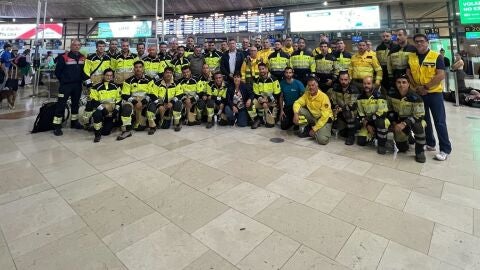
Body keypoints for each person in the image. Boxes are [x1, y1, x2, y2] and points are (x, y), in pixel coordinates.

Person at [407, 33, 451, 161]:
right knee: (425, 121)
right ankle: (430, 143)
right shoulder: (412, 57)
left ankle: (445, 149)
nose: (419, 44)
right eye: (416, 42)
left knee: (440, 122)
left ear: (427, 42)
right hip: (419, 94)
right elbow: (408, 73)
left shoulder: (436, 56)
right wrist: (416, 88)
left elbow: (441, 75)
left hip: (434, 94)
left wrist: (425, 87)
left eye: (421, 41)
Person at [52, 39, 88, 136]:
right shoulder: (64, 57)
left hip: (77, 85)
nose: (76, 46)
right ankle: (57, 125)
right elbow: (57, 72)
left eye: (78, 45)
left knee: (76, 104)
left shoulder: (82, 58)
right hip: (65, 85)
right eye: (74, 45)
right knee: (61, 104)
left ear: (80, 46)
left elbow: (84, 72)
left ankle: (74, 122)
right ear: (71, 46)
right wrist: (64, 80)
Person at [388, 75, 427, 163]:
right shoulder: (391, 95)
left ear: (408, 84)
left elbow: (419, 116)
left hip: (414, 120)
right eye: (399, 82)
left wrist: (404, 124)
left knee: (419, 126)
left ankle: (420, 151)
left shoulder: (416, 97)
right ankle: (407, 136)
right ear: (396, 84)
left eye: (404, 82)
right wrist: (394, 123)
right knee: (402, 148)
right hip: (398, 121)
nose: (401, 85)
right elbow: (389, 110)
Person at [117, 61, 156, 140]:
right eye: (136, 67)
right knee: (126, 107)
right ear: (133, 69)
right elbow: (125, 94)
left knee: (152, 106)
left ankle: (152, 126)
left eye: (140, 67)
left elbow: (153, 94)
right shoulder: (128, 81)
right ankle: (127, 131)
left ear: (143, 68)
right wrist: (135, 102)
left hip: (145, 101)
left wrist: (142, 102)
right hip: (133, 101)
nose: (138, 69)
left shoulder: (150, 80)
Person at [293, 77, 333, 145]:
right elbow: (297, 103)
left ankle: (323, 130)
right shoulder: (307, 94)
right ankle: (306, 128)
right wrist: (295, 114)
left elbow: (325, 116)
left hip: (324, 119)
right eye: (309, 85)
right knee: (299, 110)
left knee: (322, 140)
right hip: (313, 117)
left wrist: (315, 129)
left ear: (317, 85)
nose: (311, 87)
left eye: (313, 85)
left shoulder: (324, 97)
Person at [82, 40, 113, 127]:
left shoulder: (107, 58)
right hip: (93, 84)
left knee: (100, 102)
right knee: (90, 104)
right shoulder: (90, 58)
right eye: (99, 46)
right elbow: (85, 72)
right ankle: (86, 122)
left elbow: (109, 71)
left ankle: (99, 119)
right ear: (96, 47)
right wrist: (89, 84)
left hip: (103, 84)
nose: (101, 48)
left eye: (103, 46)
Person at [356, 76, 390, 154]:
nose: (366, 86)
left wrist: (368, 120)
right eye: (364, 83)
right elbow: (360, 113)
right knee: (361, 141)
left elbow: (382, 113)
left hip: (380, 120)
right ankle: (372, 135)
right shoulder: (360, 97)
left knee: (381, 122)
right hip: (367, 123)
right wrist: (367, 125)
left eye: (368, 83)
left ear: (373, 85)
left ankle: (382, 144)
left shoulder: (380, 96)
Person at [328, 71, 360, 145]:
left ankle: (351, 137)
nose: (343, 81)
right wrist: (336, 107)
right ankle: (329, 130)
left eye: (345, 80)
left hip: (352, 114)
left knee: (349, 113)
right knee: (342, 133)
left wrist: (341, 109)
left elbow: (353, 105)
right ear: (339, 79)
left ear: (349, 80)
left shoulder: (354, 89)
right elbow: (333, 101)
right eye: (341, 79)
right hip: (340, 113)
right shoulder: (336, 88)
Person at [89, 68, 121, 143]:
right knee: (97, 114)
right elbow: (94, 101)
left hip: (111, 111)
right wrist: (102, 109)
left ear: (113, 76)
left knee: (106, 132)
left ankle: (109, 122)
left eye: (111, 76)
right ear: (103, 76)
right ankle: (97, 134)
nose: (109, 77)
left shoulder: (116, 87)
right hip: (100, 110)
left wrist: (116, 110)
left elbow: (119, 100)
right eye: (107, 75)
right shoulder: (96, 87)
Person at [248, 63, 281, 129]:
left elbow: (277, 93)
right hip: (261, 100)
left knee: (270, 125)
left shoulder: (274, 79)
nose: (261, 71)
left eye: (263, 69)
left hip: (272, 101)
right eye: (260, 69)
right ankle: (257, 120)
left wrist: (267, 100)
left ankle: (271, 117)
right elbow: (256, 93)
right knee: (250, 104)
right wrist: (261, 100)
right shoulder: (257, 80)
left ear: (266, 69)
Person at [387, 29, 417, 96]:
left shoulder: (413, 49)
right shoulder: (392, 50)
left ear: (406, 36)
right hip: (396, 79)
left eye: (400, 35)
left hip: (410, 80)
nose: (397, 37)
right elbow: (389, 66)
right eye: (396, 35)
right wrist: (391, 78)